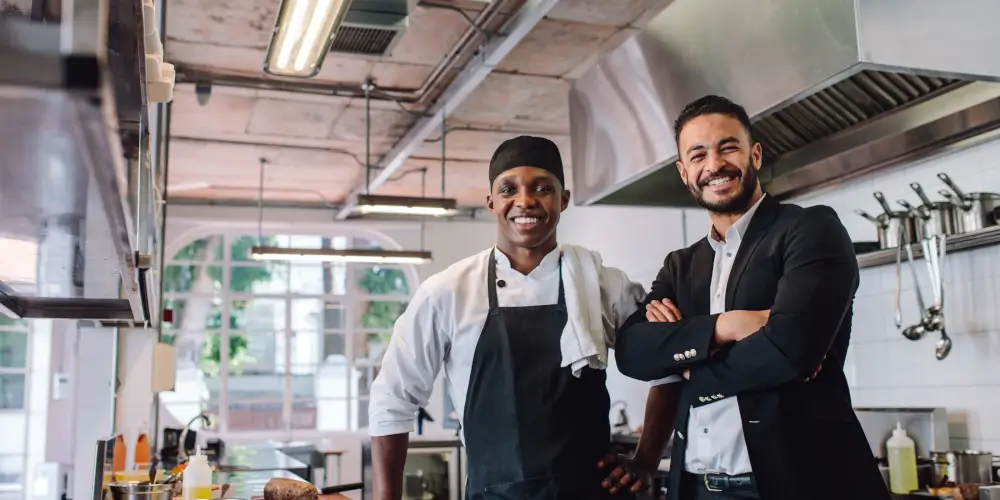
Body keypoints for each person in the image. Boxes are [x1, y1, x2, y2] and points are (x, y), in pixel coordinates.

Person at [604, 96, 890, 500]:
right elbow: (633, 353)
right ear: (684, 173)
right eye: (698, 154)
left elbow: (790, 351)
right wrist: (725, 327)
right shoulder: (681, 266)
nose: (714, 164)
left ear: (755, 154)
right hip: (695, 488)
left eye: (728, 147)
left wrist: (688, 365)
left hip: (801, 483)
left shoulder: (808, 230)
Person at [368, 135, 646, 500]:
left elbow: (670, 363)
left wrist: (646, 457)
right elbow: (393, 398)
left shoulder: (604, 284)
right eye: (508, 189)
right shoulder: (448, 291)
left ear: (564, 199)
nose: (525, 201)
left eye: (542, 188)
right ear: (491, 202)